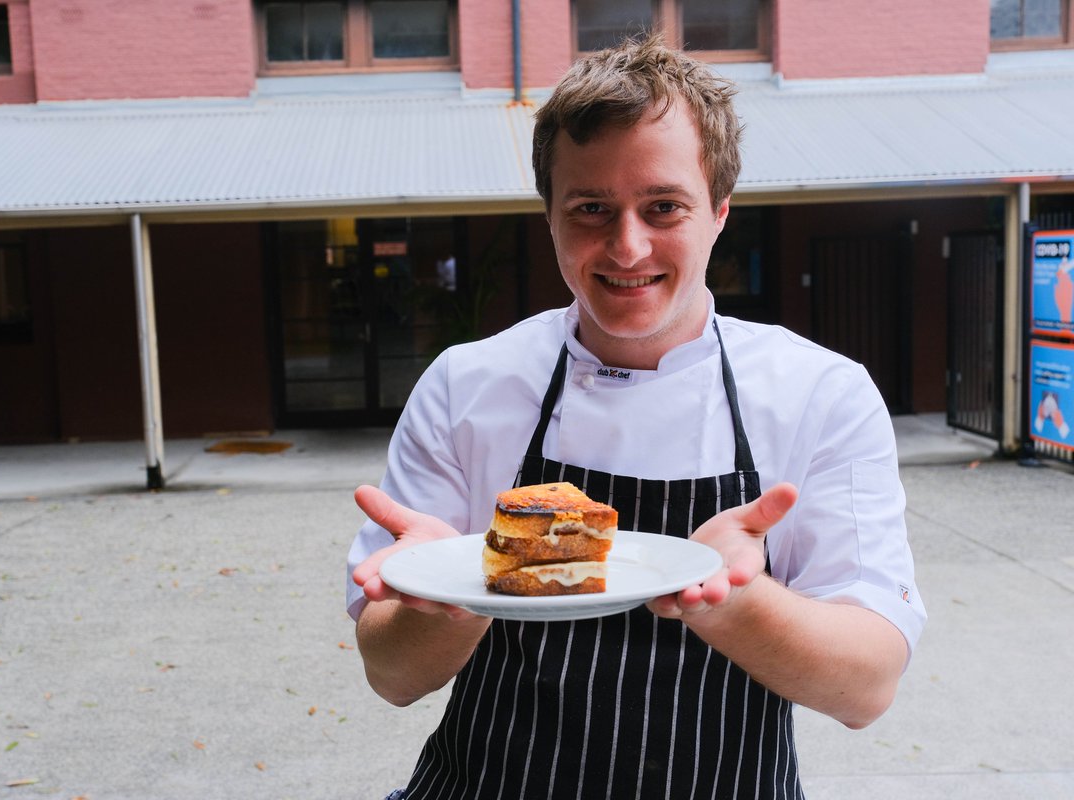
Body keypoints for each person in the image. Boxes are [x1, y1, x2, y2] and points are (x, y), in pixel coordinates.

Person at [346, 34, 925, 799]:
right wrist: (451, 594)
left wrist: (737, 603)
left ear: (719, 213)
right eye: (590, 208)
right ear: (549, 217)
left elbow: (868, 686)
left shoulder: (821, 393)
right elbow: (390, 675)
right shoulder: (468, 384)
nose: (627, 246)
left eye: (664, 206)